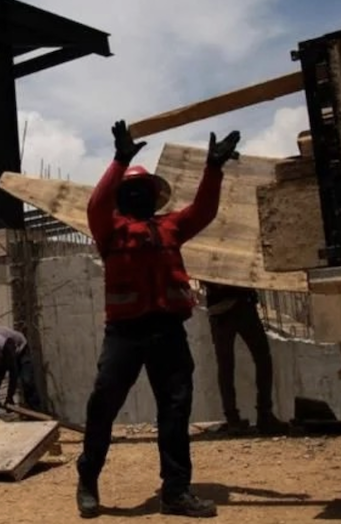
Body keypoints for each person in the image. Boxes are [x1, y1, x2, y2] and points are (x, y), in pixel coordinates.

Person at [76, 119, 240, 519]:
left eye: (143, 189)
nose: (137, 194)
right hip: (124, 334)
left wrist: (213, 168)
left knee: (175, 409)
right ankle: (88, 480)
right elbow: (95, 205)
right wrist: (119, 160)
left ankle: (176, 492)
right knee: (103, 406)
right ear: (122, 196)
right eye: (130, 190)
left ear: (153, 196)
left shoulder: (170, 227)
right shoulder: (110, 231)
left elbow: (203, 210)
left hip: (167, 332)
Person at [202, 281, 288, 436]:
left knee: (227, 365)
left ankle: (235, 418)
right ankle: (262, 414)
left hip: (224, 308)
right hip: (238, 305)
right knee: (259, 358)